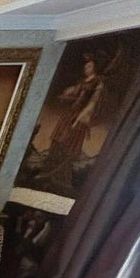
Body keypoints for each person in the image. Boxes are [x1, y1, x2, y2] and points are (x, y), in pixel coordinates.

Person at [33, 53, 106, 196]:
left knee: (68, 146)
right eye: (86, 66)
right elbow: (74, 92)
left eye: (89, 66)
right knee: (56, 142)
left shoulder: (98, 83)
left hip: (79, 118)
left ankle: (61, 179)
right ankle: (47, 173)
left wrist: (79, 119)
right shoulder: (82, 81)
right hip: (69, 115)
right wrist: (67, 93)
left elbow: (92, 103)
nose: (86, 68)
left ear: (95, 67)